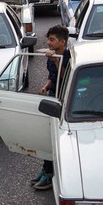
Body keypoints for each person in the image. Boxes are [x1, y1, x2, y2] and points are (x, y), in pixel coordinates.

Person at [32, 25, 71, 191]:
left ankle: (50, 173)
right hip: (53, 95)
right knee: (46, 135)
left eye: (52, 40)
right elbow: (53, 77)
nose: (48, 43)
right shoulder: (51, 55)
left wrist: (56, 60)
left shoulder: (69, 56)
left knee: (56, 137)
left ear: (62, 42)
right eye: (48, 39)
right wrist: (47, 86)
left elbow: (65, 77)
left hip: (64, 99)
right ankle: (46, 169)